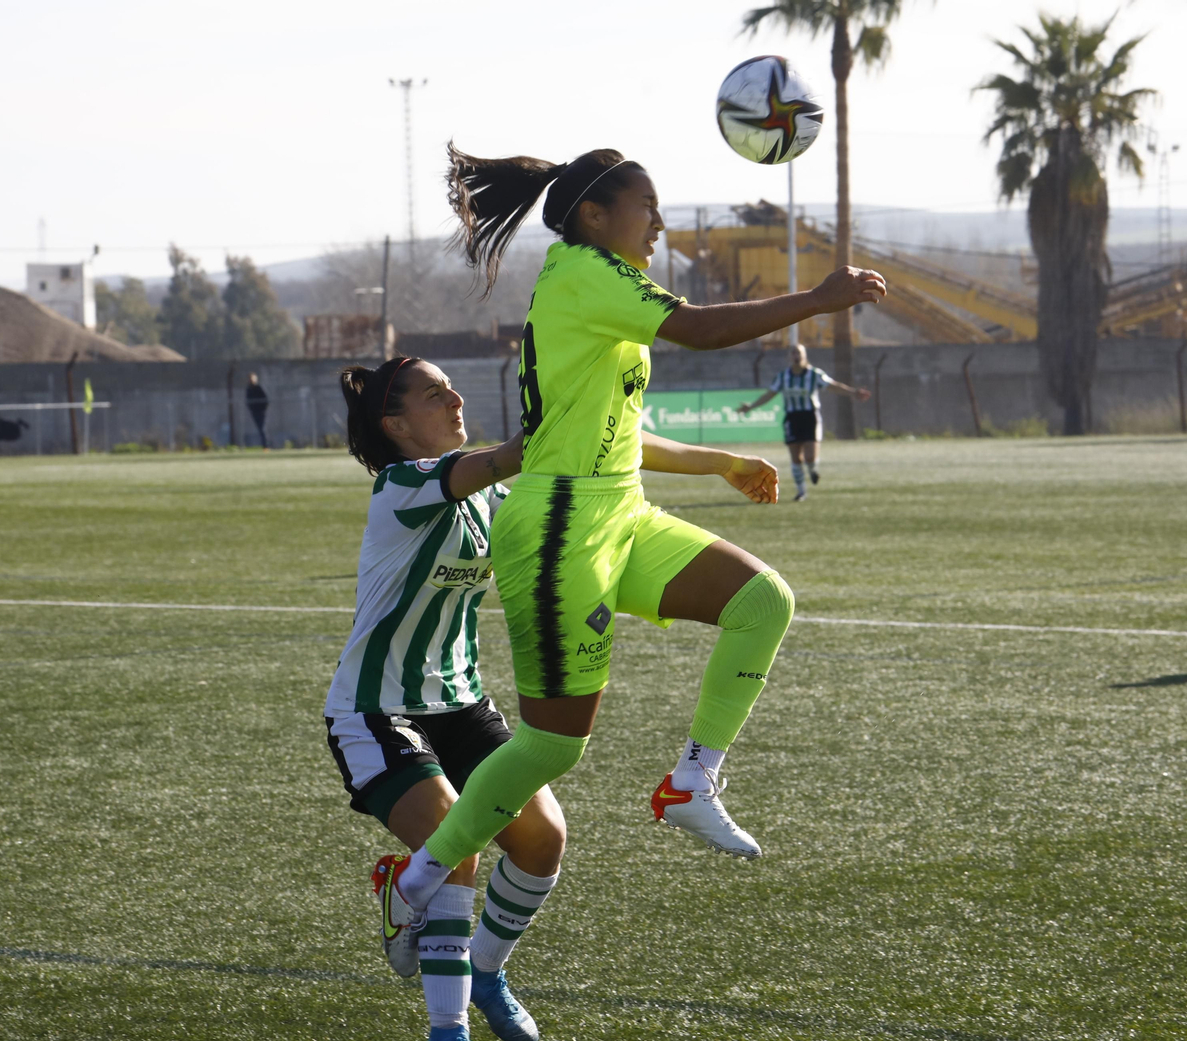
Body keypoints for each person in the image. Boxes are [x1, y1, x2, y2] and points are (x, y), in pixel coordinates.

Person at [373, 146, 885, 929]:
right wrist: (817, 299)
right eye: (646, 206)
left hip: (621, 511)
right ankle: (416, 882)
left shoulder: (602, 287)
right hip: (558, 528)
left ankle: (691, 782)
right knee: (554, 748)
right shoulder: (583, 271)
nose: (658, 222)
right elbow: (702, 330)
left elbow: (620, 433)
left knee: (762, 602)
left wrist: (720, 462)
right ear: (594, 215)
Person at [331, 355, 779, 1041]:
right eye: (431, 392)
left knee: (543, 841)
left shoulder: (495, 500)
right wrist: (570, 409)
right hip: (380, 711)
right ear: (394, 423)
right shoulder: (404, 485)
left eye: (450, 385)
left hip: (464, 702)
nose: (453, 396)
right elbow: (521, 452)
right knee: (457, 845)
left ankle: (485, 970)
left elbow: (571, 501)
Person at [738, 343, 872, 501]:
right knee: (796, 458)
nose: (796, 356)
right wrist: (751, 407)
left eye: (799, 353)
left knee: (809, 457)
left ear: (804, 356)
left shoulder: (814, 374)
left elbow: (833, 386)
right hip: (792, 417)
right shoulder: (783, 377)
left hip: (810, 417)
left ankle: (813, 469)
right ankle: (801, 492)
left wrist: (853, 392)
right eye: (793, 353)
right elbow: (770, 394)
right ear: (789, 357)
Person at [245, 372, 270, 448]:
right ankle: (264, 445)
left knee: (262, 429)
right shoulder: (249, 389)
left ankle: (265, 446)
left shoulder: (259, 388)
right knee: (260, 429)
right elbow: (248, 400)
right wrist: (252, 408)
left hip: (260, 412)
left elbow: (265, 399)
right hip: (254, 412)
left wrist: (262, 409)